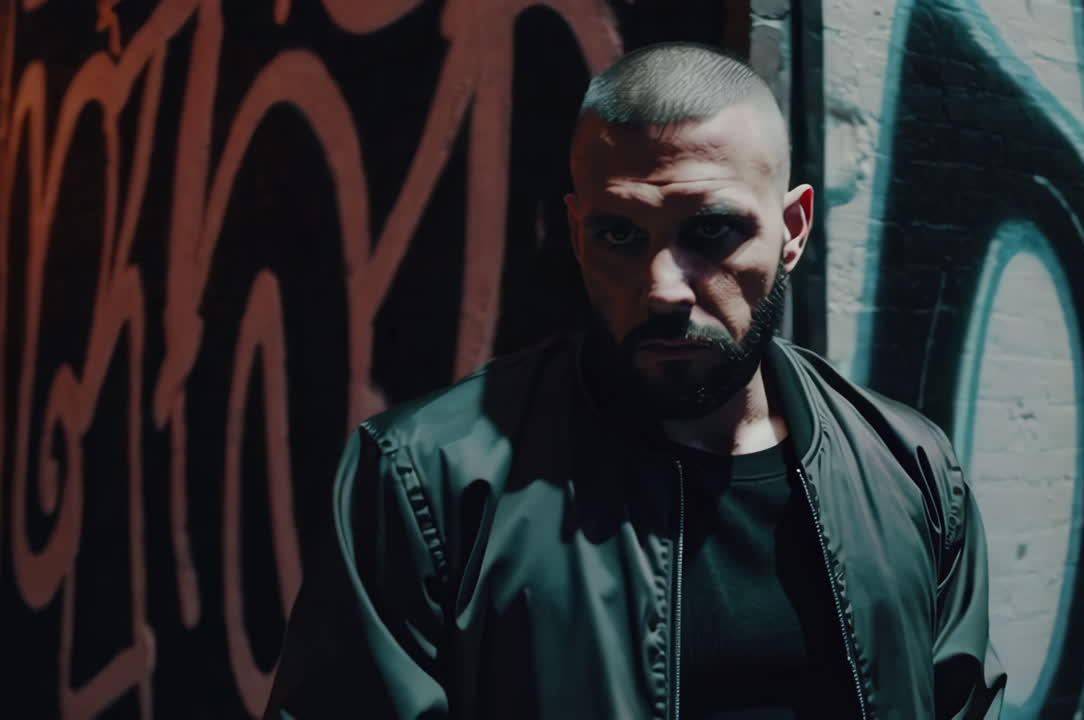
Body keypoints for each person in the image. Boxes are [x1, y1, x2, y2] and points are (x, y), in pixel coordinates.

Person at [265, 42, 1006, 719]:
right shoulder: (425, 480)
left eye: (711, 230)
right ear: (577, 230)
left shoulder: (910, 472)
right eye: (620, 234)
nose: (663, 289)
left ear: (795, 230)